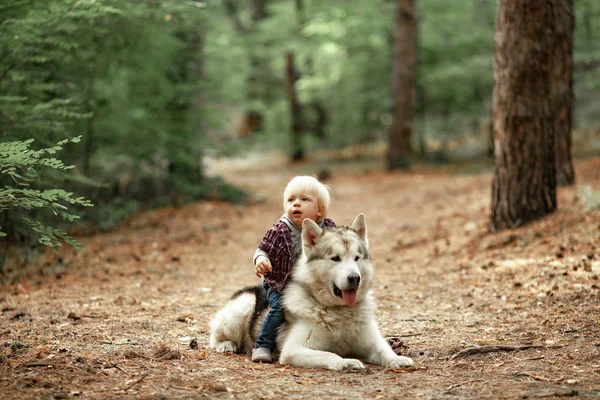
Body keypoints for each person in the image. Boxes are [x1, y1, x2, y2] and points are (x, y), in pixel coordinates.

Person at [252, 176, 336, 363]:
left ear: (320, 209)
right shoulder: (280, 230)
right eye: (291, 200)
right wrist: (260, 260)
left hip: (309, 283)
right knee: (280, 308)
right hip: (280, 283)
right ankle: (262, 344)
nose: (296, 203)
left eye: (304, 199)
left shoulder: (328, 229)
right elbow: (262, 250)